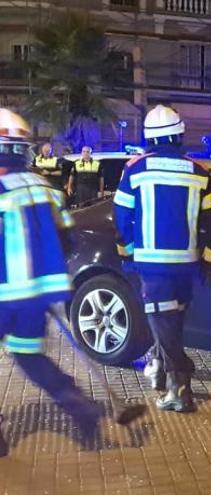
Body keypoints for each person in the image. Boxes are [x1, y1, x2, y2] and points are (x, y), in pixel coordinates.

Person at [0, 110, 102, 456]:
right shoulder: (45, 187)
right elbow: (68, 239)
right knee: (29, 356)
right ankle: (77, 404)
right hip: (37, 296)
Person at [113, 104, 211, 413]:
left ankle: (180, 387)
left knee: (163, 323)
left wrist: (128, 253)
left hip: (153, 267)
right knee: (172, 323)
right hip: (186, 266)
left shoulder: (135, 170)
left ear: (149, 137)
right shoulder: (199, 172)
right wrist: (209, 261)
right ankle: (160, 369)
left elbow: (121, 218)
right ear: (179, 134)